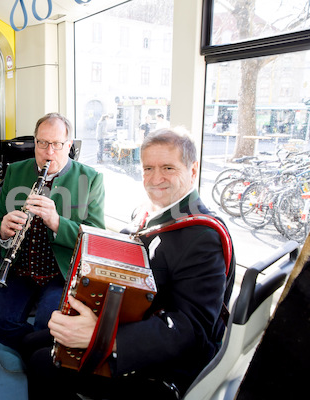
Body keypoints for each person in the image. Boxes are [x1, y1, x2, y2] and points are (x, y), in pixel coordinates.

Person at [25, 128, 235, 399]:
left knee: (43, 363)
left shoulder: (203, 237)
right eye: (148, 168)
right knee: (31, 341)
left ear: (193, 170)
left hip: (162, 365)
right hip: (131, 321)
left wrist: (102, 338)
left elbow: (191, 331)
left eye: (168, 168)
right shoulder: (146, 212)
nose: (155, 179)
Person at [0, 112, 106, 352]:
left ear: (68, 145)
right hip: (20, 268)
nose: (48, 152)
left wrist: (57, 222)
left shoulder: (90, 178)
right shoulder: (15, 171)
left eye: (57, 144)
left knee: (46, 325)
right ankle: (41, 352)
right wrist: (2, 229)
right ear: (35, 142)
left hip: (60, 273)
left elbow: (96, 238)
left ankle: (40, 353)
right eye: (42, 143)